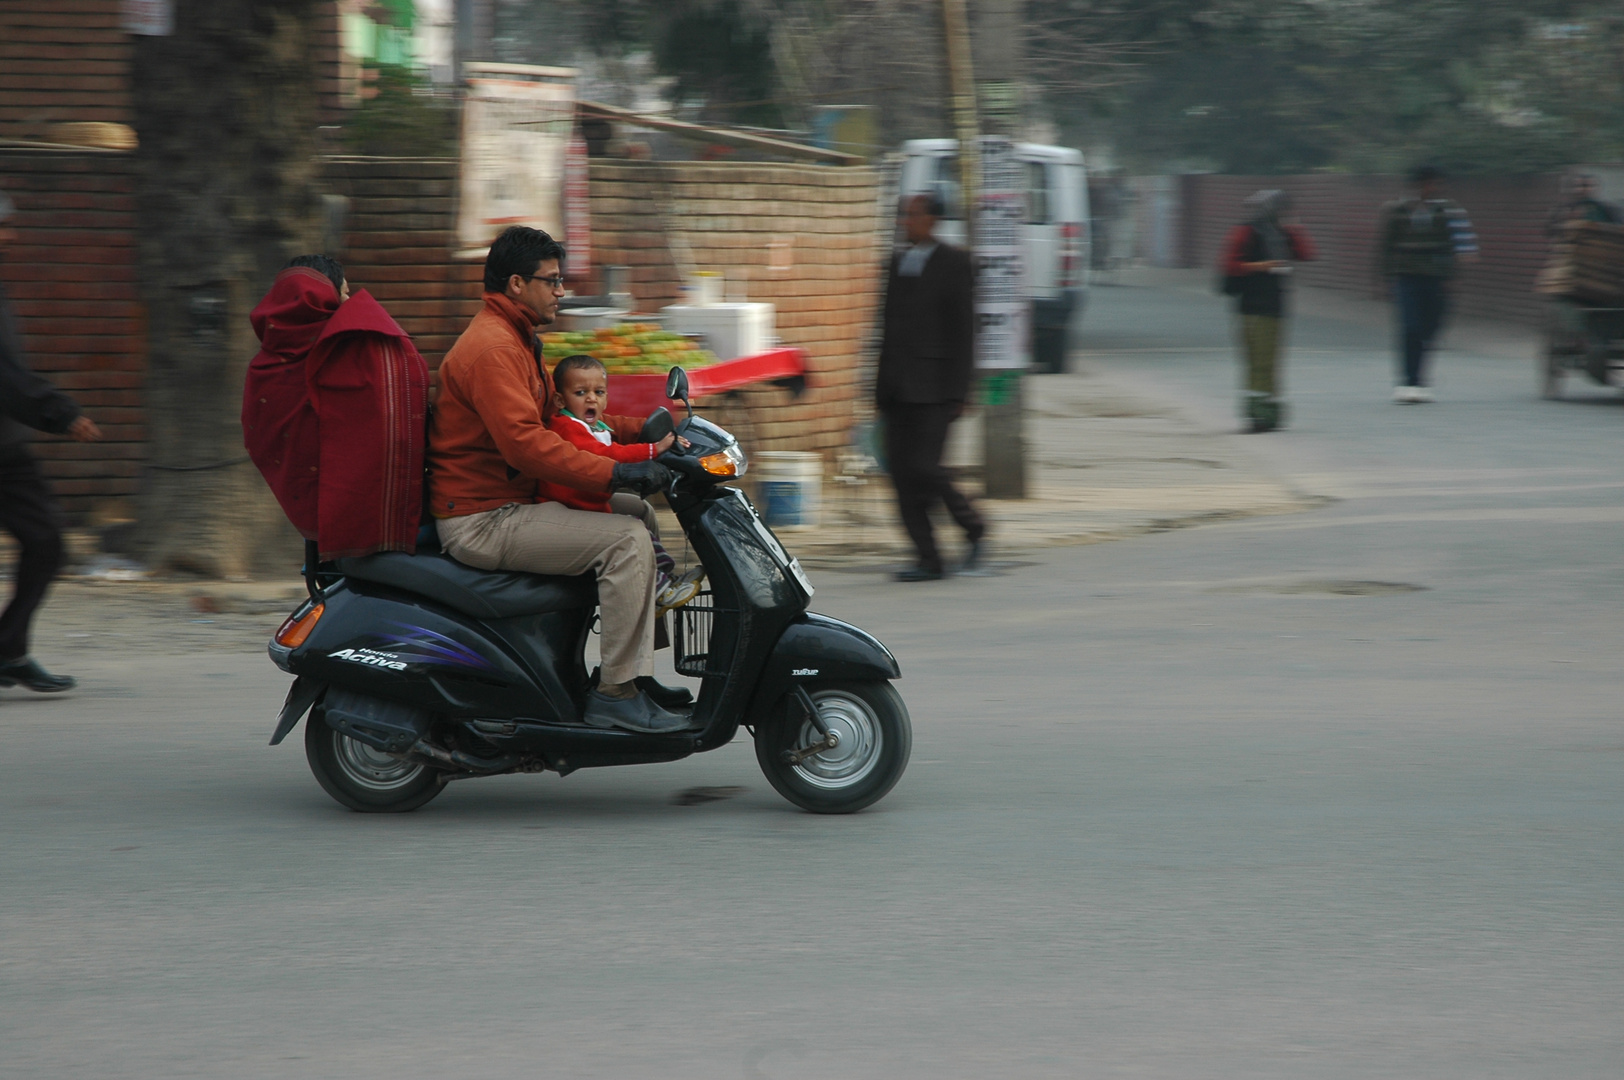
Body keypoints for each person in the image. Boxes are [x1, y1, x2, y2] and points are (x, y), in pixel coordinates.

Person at [426, 226, 682, 733]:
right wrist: (618, 471)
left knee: (640, 514)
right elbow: (528, 444)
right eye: (553, 280)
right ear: (517, 284)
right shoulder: (494, 350)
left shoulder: (518, 340)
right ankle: (616, 693)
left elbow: (563, 422)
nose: (561, 291)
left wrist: (659, 429)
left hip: (514, 502)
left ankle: (636, 673)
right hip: (484, 518)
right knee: (629, 543)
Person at [242, 254, 430, 559]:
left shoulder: (264, 367)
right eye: (343, 292)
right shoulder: (359, 351)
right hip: (376, 519)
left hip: (308, 516)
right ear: (320, 298)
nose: (349, 301)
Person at [0, 188, 102, 692]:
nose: (9, 234)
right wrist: (60, 413)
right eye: (1, 225)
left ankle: (8, 650)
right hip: (14, 433)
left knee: (46, 543)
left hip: (7, 449)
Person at [539, 353, 703, 616]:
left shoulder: (595, 423)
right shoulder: (567, 427)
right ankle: (658, 589)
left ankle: (663, 581)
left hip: (590, 501)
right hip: (570, 508)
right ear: (560, 400)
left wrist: (670, 432)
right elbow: (607, 455)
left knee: (640, 515)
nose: (591, 398)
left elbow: (620, 429)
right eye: (581, 392)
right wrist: (651, 450)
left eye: (599, 392)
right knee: (632, 535)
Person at [876, 192, 986, 582]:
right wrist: (879, 390)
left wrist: (961, 391)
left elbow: (963, 331)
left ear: (933, 220)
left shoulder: (955, 263)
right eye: (904, 214)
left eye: (914, 215)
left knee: (926, 467)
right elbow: (886, 330)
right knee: (902, 478)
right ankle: (928, 558)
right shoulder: (895, 263)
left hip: (937, 389)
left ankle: (974, 525)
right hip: (896, 390)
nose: (906, 221)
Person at [1378, 165, 1479, 403]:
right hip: (1407, 277)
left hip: (1437, 279)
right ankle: (1409, 382)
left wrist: (1454, 277)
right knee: (1410, 327)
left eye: (1438, 184)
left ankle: (1422, 381)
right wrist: (1384, 278)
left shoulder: (1450, 211)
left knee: (1430, 330)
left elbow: (1460, 247)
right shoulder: (1397, 211)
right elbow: (1385, 247)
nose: (1434, 188)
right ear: (1418, 185)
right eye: (1430, 183)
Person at [1219, 190, 1316, 432]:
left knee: (1271, 362)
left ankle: (1270, 414)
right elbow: (1229, 266)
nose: (1281, 214)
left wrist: (1294, 226)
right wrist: (1264, 266)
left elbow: (1306, 253)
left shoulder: (1283, 233)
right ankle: (1257, 415)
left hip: (1275, 305)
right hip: (1251, 307)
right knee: (1257, 362)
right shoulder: (1246, 231)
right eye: (1279, 209)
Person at [1547, 173, 1621, 238]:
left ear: (1596, 188)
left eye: (1588, 186)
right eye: (1579, 186)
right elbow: (1550, 231)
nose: (1582, 189)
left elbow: (1618, 230)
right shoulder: (1565, 209)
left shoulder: (1606, 208)